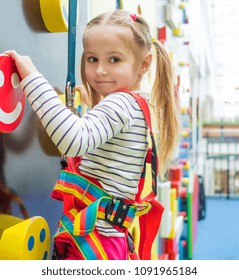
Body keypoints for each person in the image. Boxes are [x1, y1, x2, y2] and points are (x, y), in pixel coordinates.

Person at [5, 10, 179, 260]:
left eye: (114, 60)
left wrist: (32, 79)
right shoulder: (137, 104)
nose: (100, 71)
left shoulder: (120, 103)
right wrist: (90, 105)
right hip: (108, 238)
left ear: (144, 64)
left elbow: (74, 140)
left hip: (94, 240)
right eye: (92, 59)